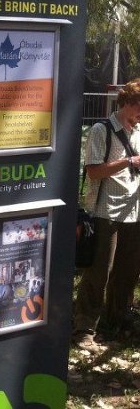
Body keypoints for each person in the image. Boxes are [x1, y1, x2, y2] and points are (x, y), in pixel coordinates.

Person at [73, 78, 140, 351]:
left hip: (133, 211)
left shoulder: (139, 131)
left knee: (127, 272)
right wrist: (128, 161)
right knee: (99, 271)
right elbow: (93, 171)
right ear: (127, 102)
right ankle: (84, 328)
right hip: (105, 211)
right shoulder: (102, 130)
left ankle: (118, 319)